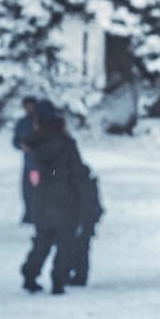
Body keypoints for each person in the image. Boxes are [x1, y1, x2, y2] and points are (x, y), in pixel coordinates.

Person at [20, 100, 87, 295]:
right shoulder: (66, 143)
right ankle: (59, 279)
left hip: (43, 196)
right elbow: (77, 170)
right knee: (65, 240)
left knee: (43, 240)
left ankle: (30, 275)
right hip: (65, 197)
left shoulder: (34, 142)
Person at [69, 165, 104, 286]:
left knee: (78, 248)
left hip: (83, 220)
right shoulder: (89, 184)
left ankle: (78, 276)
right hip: (86, 220)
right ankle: (79, 275)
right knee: (81, 249)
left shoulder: (81, 185)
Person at [12, 96, 38, 224]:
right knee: (26, 190)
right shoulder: (22, 122)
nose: (29, 108)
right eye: (27, 106)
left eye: (31, 105)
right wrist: (20, 145)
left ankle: (37, 215)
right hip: (28, 163)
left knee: (38, 189)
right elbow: (15, 140)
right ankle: (29, 214)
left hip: (39, 163)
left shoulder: (40, 121)